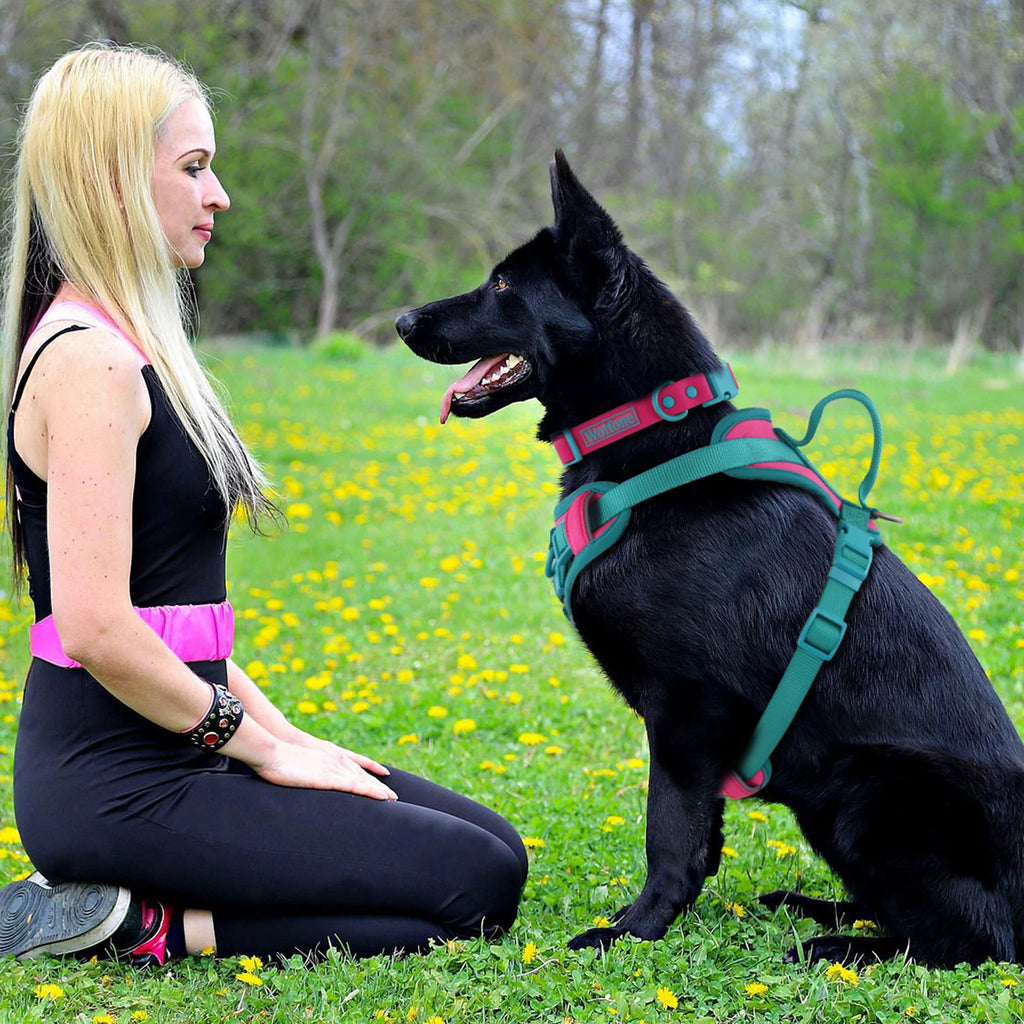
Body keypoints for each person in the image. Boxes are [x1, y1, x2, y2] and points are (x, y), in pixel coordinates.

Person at [0, 43, 527, 964]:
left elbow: (179, 623)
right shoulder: (87, 361)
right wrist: (263, 752)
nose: (220, 195)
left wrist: (289, 739)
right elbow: (92, 627)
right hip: (112, 781)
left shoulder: (133, 346)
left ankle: (134, 908)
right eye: (195, 168)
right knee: (467, 888)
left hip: (179, 742)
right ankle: (137, 926)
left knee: (497, 853)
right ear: (112, 179)